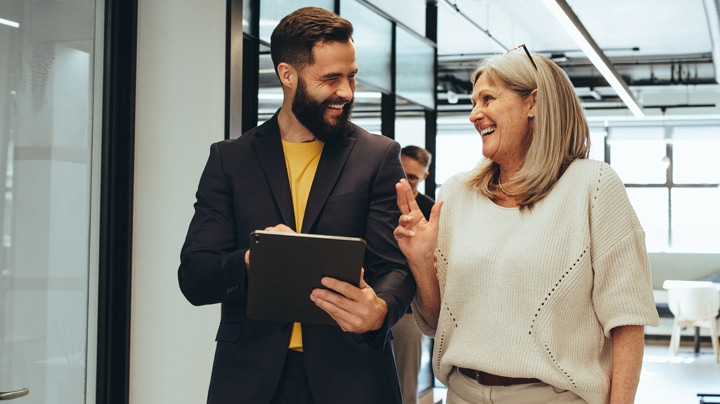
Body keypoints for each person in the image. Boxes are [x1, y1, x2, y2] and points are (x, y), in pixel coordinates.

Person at [393, 45, 659, 404]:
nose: (475, 114)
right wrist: (422, 263)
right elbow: (437, 319)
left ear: (532, 103)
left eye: (488, 99)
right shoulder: (456, 193)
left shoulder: (592, 185)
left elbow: (627, 321)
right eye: (473, 103)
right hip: (461, 393)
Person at [178, 7, 414, 404]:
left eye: (351, 76)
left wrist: (381, 309)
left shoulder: (377, 156)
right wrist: (255, 259)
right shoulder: (231, 160)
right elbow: (195, 276)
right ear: (288, 75)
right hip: (251, 380)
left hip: (352, 375)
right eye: (331, 78)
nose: (347, 92)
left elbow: (394, 266)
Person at [393, 145, 434, 404]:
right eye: (402, 173)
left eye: (413, 177)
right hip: (369, 299)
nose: (406, 181)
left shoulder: (430, 210)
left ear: (424, 178)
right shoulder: (378, 201)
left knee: (405, 387)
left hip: (409, 312)